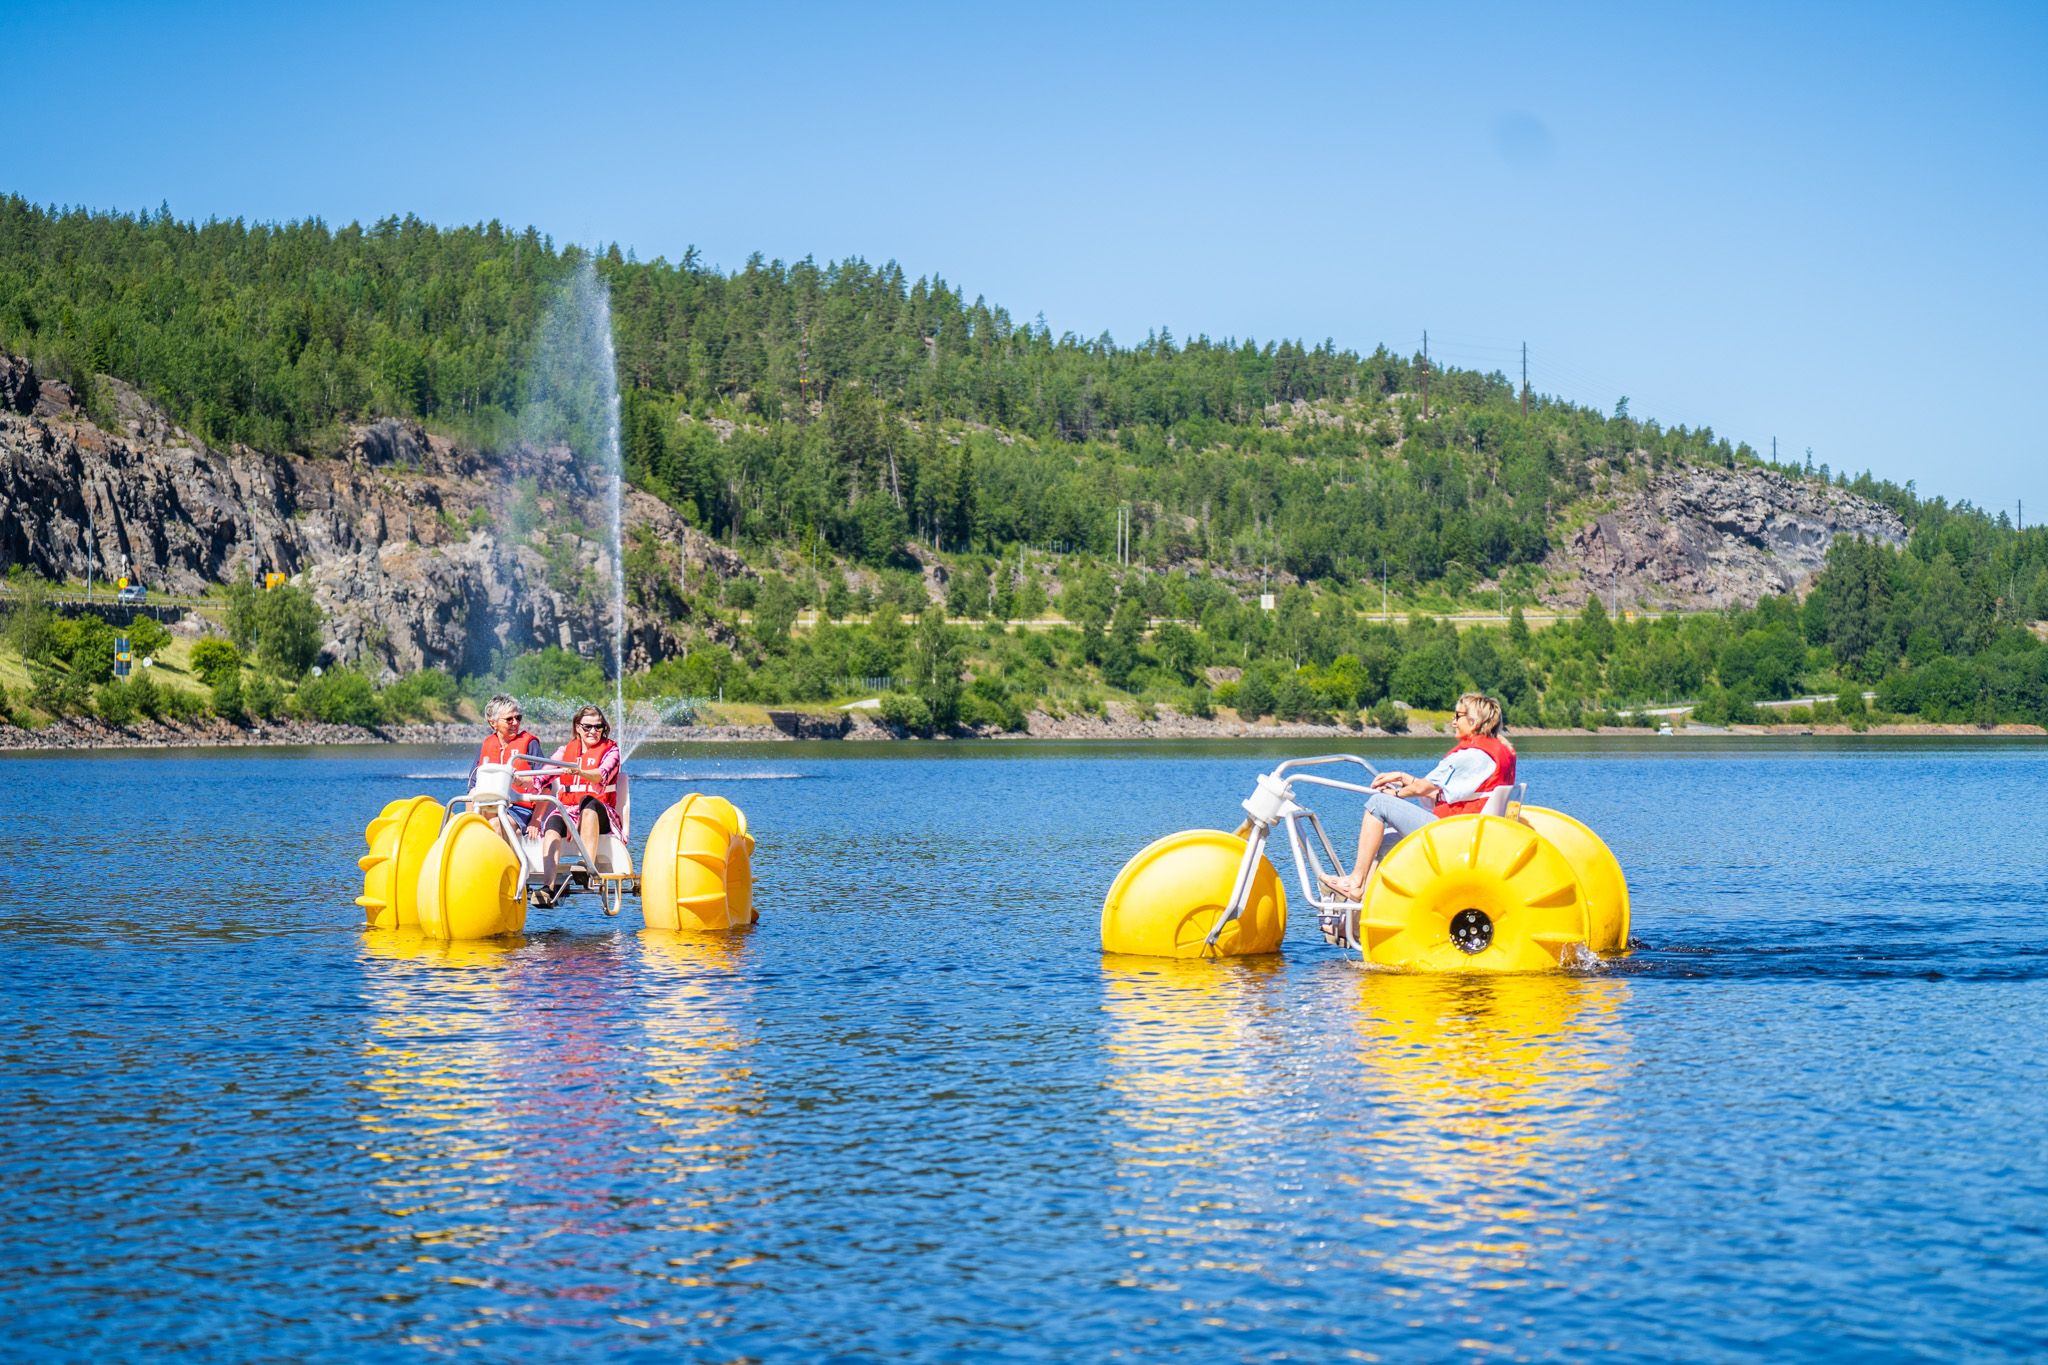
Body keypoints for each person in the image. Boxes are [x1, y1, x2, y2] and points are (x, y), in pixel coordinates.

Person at [1319, 691, 1517, 901]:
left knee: (1377, 804)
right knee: (1384, 841)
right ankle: (1360, 912)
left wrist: (1396, 793)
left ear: (1473, 721)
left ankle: (1355, 881)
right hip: (1467, 830)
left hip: (1452, 834)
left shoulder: (1470, 756)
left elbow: (1423, 788)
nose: (1453, 722)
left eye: (1457, 716)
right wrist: (1405, 778)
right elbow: (1442, 791)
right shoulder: (1494, 753)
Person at [533, 703, 623, 902]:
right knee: (552, 823)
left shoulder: (612, 751)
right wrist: (521, 780)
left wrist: (580, 772)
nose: (593, 731)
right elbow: (544, 773)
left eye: (598, 727)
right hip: (569, 810)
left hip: (600, 812)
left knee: (588, 805)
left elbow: (602, 774)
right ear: (577, 728)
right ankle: (548, 888)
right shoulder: (565, 751)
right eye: (587, 727)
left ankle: (586, 866)